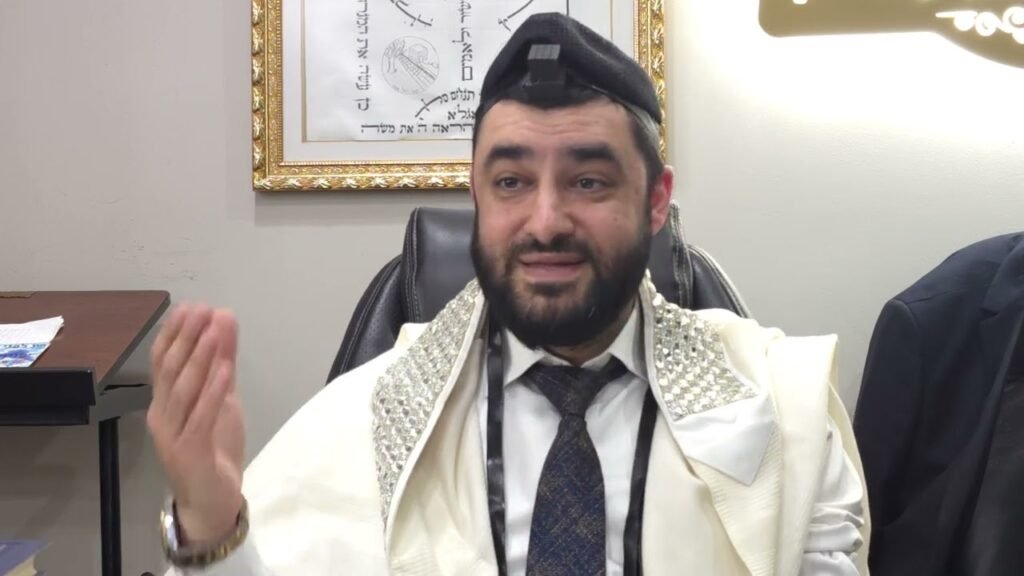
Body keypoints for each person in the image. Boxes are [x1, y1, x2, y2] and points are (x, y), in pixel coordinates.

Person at [148, 13, 870, 576]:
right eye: (512, 182)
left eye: (588, 181)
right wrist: (212, 527)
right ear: (477, 196)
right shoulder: (363, 419)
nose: (546, 221)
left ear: (656, 201)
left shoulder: (784, 416)